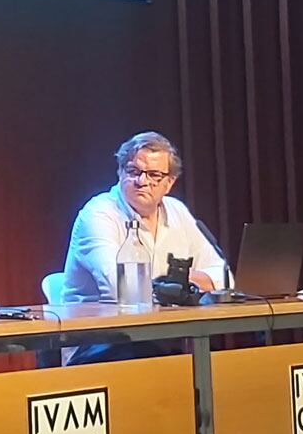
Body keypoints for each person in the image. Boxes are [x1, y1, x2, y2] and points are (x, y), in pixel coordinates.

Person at [60, 131, 227, 365]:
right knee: (173, 365)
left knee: (215, 363)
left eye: (154, 174)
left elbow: (222, 276)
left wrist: (173, 283)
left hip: (162, 338)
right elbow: (122, 290)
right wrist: (180, 285)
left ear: (169, 183)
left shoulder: (177, 211)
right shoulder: (98, 214)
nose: (142, 181)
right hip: (100, 342)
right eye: (133, 171)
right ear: (119, 172)